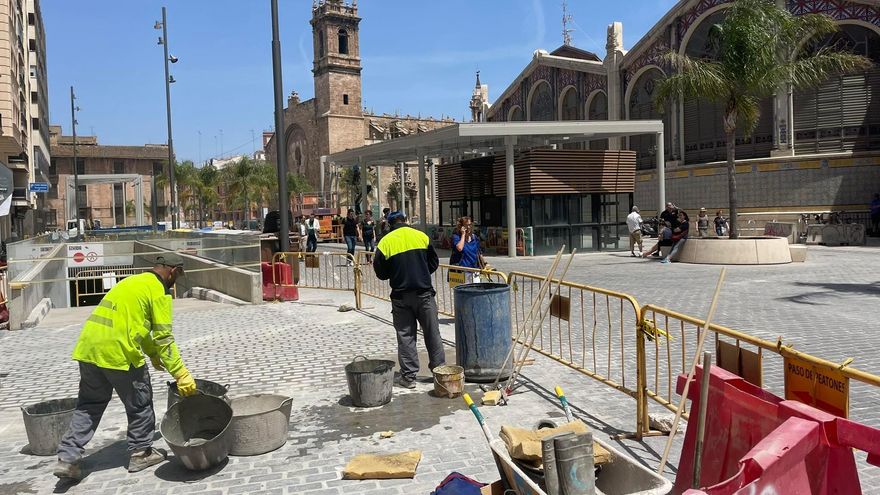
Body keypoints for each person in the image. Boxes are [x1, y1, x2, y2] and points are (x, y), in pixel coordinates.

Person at [54, 254, 196, 481]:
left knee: (89, 405)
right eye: (177, 276)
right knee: (139, 402)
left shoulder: (132, 282)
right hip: (119, 353)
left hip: (89, 349)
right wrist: (181, 373)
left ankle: (67, 458)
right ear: (172, 271)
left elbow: (137, 325)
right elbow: (164, 338)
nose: (175, 282)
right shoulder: (159, 292)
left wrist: (151, 353)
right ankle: (141, 453)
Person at [373, 211, 446, 389]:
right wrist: (420, 272)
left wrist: (396, 273)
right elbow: (433, 262)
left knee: (406, 336)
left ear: (389, 224)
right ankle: (440, 374)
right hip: (424, 295)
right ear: (405, 220)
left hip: (401, 297)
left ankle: (409, 377)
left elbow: (381, 273)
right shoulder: (421, 236)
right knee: (432, 333)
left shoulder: (386, 242)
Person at [451, 216, 483, 283]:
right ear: (461, 227)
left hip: (475, 270)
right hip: (462, 271)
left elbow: (479, 252)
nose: (468, 227)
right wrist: (463, 235)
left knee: (476, 288)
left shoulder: (474, 237)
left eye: (470, 225)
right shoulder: (456, 237)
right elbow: (459, 248)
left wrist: (484, 264)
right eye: (466, 225)